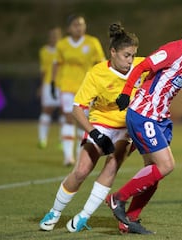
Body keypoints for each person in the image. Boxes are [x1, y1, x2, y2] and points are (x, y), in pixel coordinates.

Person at [105, 10, 182, 234]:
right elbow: (142, 67)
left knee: (153, 173)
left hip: (159, 119)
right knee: (166, 165)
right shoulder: (172, 50)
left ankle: (129, 221)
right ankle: (117, 198)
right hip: (143, 114)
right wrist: (125, 92)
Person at [39, 22, 146, 232]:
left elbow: (169, 62)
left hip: (127, 127)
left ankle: (83, 216)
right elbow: (77, 109)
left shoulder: (143, 67)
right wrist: (95, 134)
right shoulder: (97, 73)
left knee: (112, 165)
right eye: (126, 55)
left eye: (134, 55)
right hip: (100, 124)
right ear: (112, 52)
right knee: (81, 170)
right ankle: (55, 211)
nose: (131, 60)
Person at [52, 14, 106, 166]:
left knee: (84, 121)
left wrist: (101, 82)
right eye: (76, 25)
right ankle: (68, 157)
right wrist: (52, 83)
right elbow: (56, 64)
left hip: (86, 87)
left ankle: (79, 155)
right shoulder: (62, 45)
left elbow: (100, 63)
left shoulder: (92, 42)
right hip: (67, 86)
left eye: (82, 24)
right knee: (69, 117)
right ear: (69, 28)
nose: (79, 27)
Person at [37, 26, 64, 149]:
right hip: (49, 84)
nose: (54, 38)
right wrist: (42, 86)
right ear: (49, 37)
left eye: (56, 36)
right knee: (47, 110)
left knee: (64, 112)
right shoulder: (44, 51)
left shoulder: (64, 49)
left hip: (64, 84)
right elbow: (43, 70)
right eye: (52, 36)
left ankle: (63, 140)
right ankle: (42, 139)